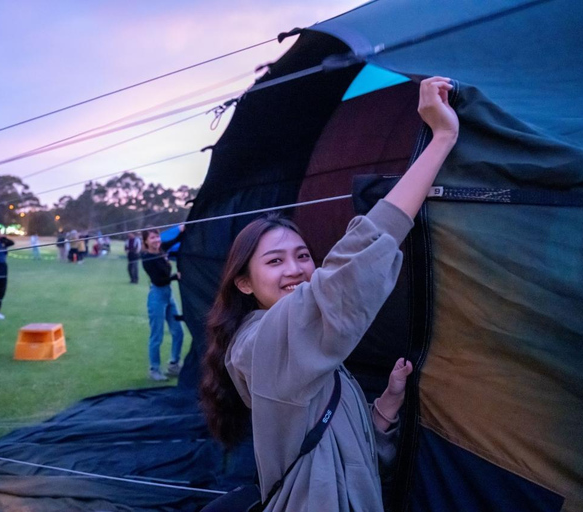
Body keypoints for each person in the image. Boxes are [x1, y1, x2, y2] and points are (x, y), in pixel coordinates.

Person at [200, 77, 459, 511]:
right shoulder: (260, 346)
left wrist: (384, 410)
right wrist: (441, 139)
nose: (297, 270)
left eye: (303, 255)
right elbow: (349, 274)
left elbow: (347, 458)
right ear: (243, 283)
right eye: (275, 261)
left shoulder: (307, 351)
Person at [141, 227, 184, 381]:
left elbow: (173, 241)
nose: (156, 240)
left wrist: (182, 231)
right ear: (146, 240)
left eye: (157, 237)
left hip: (168, 295)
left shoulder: (162, 249)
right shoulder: (146, 257)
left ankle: (173, 365)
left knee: (178, 332)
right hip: (157, 296)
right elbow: (158, 280)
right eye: (152, 238)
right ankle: (154, 370)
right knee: (156, 336)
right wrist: (175, 277)